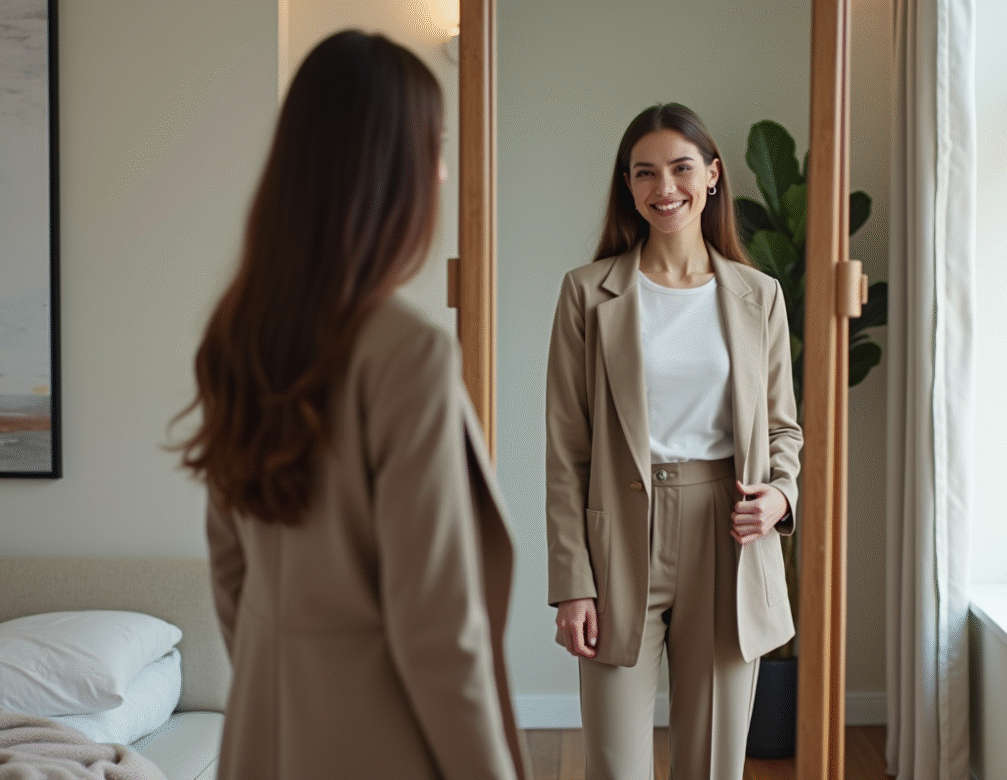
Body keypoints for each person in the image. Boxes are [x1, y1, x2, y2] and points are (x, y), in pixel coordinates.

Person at [173, 31, 529, 780]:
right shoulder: (409, 354)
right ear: (387, 169)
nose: (439, 171)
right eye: (432, 147)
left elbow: (230, 571)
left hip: (265, 737)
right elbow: (437, 630)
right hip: (384, 745)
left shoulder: (240, 332)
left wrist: (289, 679)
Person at [545, 103, 803, 779]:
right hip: (617, 539)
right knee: (615, 763)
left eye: (682, 168)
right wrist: (573, 583)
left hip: (728, 528)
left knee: (714, 762)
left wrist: (781, 496)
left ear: (712, 176)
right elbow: (567, 451)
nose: (666, 187)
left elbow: (782, 427)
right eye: (646, 173)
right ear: (628, 187)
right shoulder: (586, 295)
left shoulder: (759, 295)